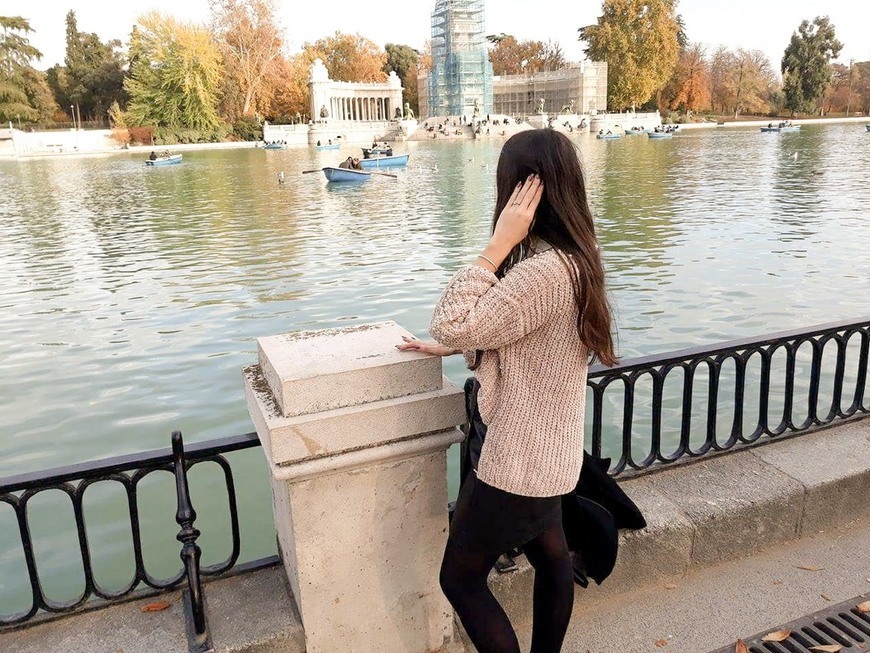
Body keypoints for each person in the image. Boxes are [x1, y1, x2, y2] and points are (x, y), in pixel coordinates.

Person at [397, 129, 616, 653]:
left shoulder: (539, 272)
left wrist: (497, 245)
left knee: (461, 579)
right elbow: (533, 340)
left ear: (522, 192)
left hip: (517, 462)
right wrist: (456, 348)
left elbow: (451, 322)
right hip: (553, 455)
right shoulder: (578, 259)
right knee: (552, 559)